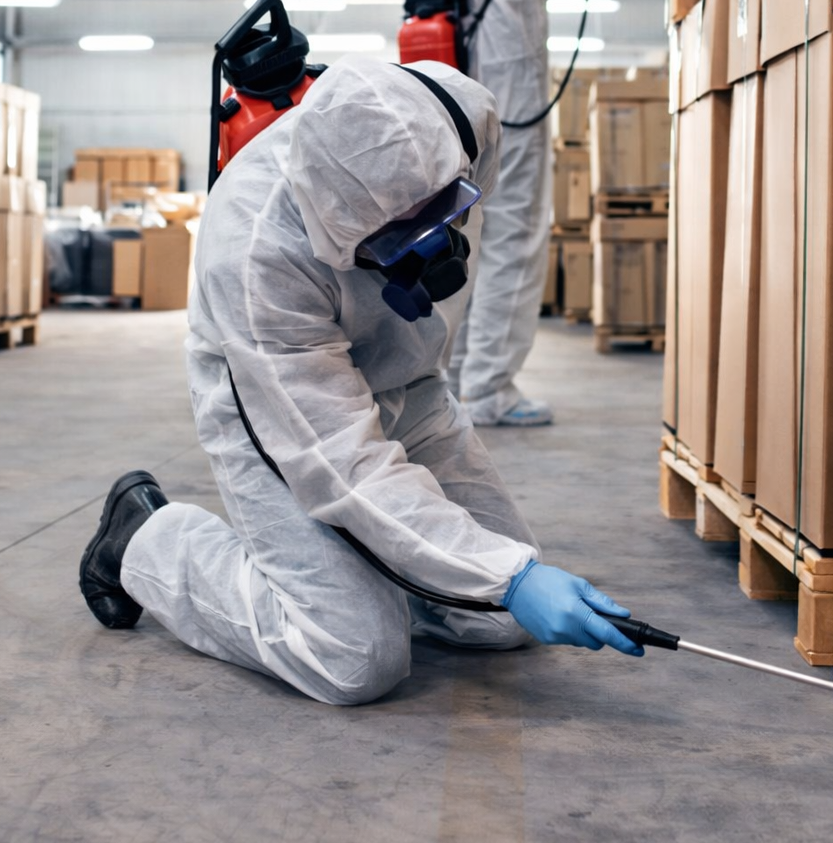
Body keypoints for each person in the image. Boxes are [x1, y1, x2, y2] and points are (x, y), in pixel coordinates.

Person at [78, 57, 643, 706]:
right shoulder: (255, 254)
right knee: (353, 654)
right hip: (278, 397)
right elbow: (339, 462)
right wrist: (510, 576)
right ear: (339, 236)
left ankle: (385, 570)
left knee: (497, 617)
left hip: (412, 378)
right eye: (400, 245)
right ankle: (145, 539)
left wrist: (500, 582)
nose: (436, 251)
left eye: (445, 215)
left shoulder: (461, 114)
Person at [417, 0, 635, 428]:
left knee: (462, 237)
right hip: (506, 93)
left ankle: (446, 380)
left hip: (448, 102)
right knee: (513, 235)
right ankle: (489, 390)